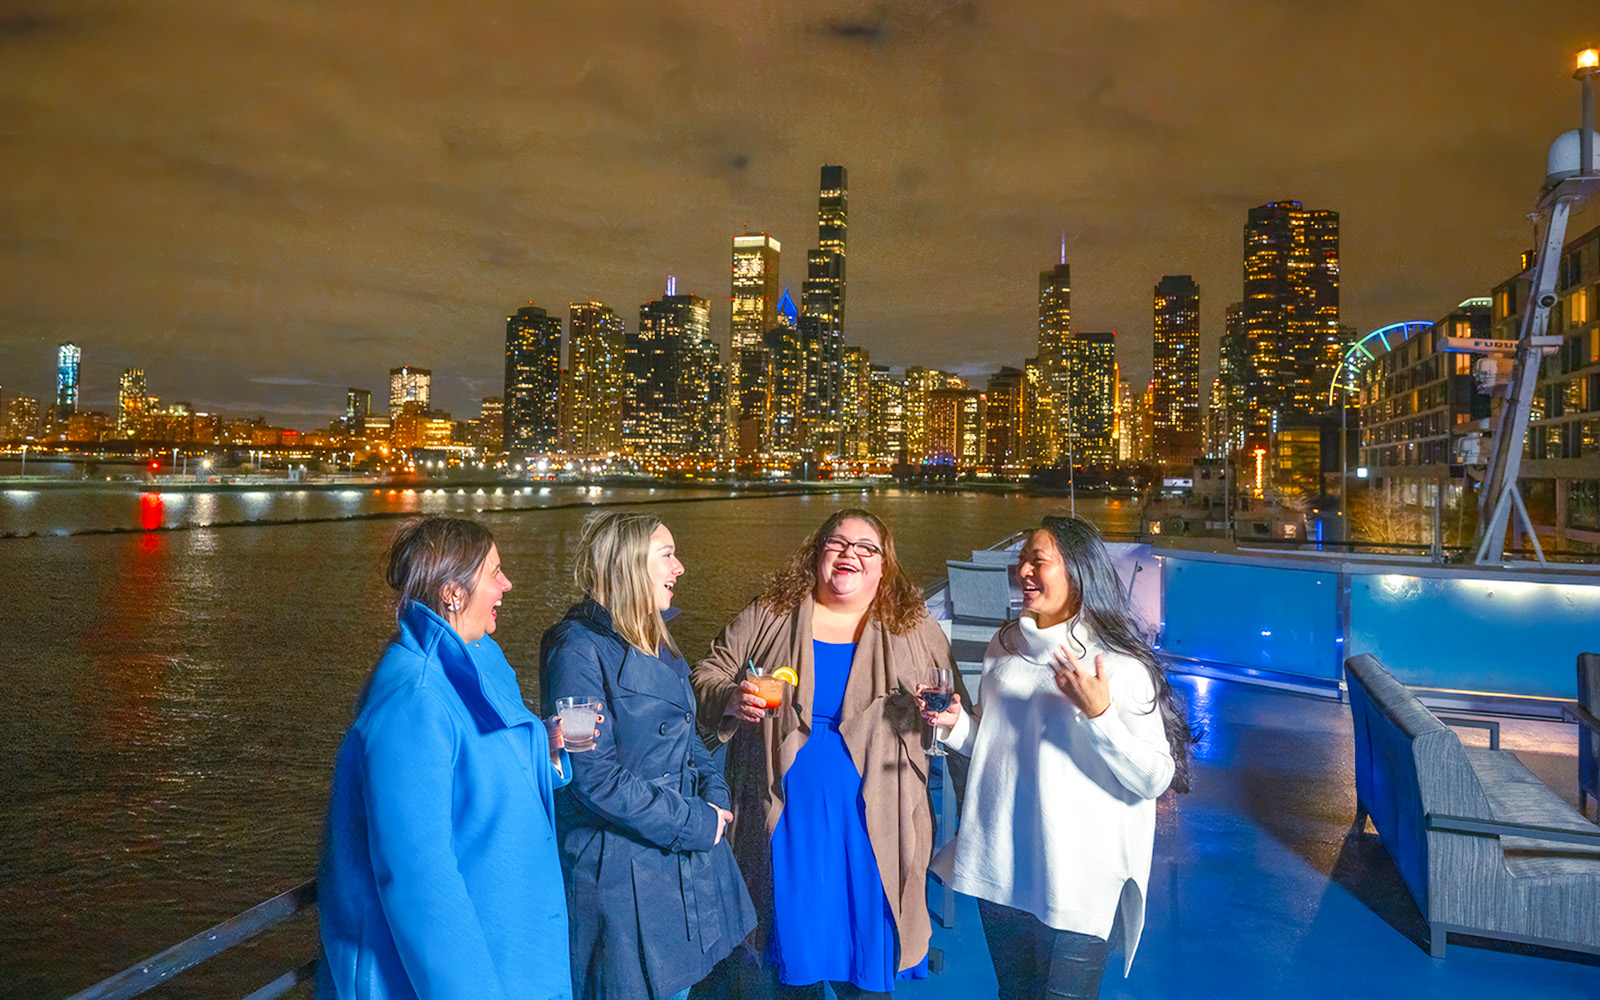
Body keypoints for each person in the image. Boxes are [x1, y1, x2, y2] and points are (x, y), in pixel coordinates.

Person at [691, 508, 970, 999]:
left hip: (875, 818)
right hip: (786, 816)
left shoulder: (914, 624)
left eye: (867, 547)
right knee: (790, 957)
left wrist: (938, 715)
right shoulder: (771, 614)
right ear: (817, 553)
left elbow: (955, 704)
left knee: (866, 951)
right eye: (838, 543)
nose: (850, 555)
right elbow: (706, 675)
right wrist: (732, 697)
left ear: (885, 565)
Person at [924, 515, 1194, 1000]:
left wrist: (1101, 714)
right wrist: (956, 726)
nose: (1023, 570)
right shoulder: (1004, 647)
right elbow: (996, 746)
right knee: (1014, 994)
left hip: (1078, 881)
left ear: (1078, 571)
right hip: (1004, 866)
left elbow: (1156, 776)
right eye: (1021, 559)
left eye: (1038, 560)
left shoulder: (1118, 665)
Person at [318, 515, 574, 1000]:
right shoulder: (413, 699)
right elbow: (419, 878)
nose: (507, 584)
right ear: (453, 592)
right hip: (474, 969)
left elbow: (480, 770)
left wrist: (545, 751)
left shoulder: (480, 659)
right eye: (494, 571)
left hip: (512, 946)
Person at [541, 509, 756, 1000]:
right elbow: (591, 775)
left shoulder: (655, 636)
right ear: (630, 565)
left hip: (675, 861)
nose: (679, 567)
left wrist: (716, 799)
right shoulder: (575, 649)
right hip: (623, 874)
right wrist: (698, 823)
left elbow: (687, 735)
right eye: (667, 555)